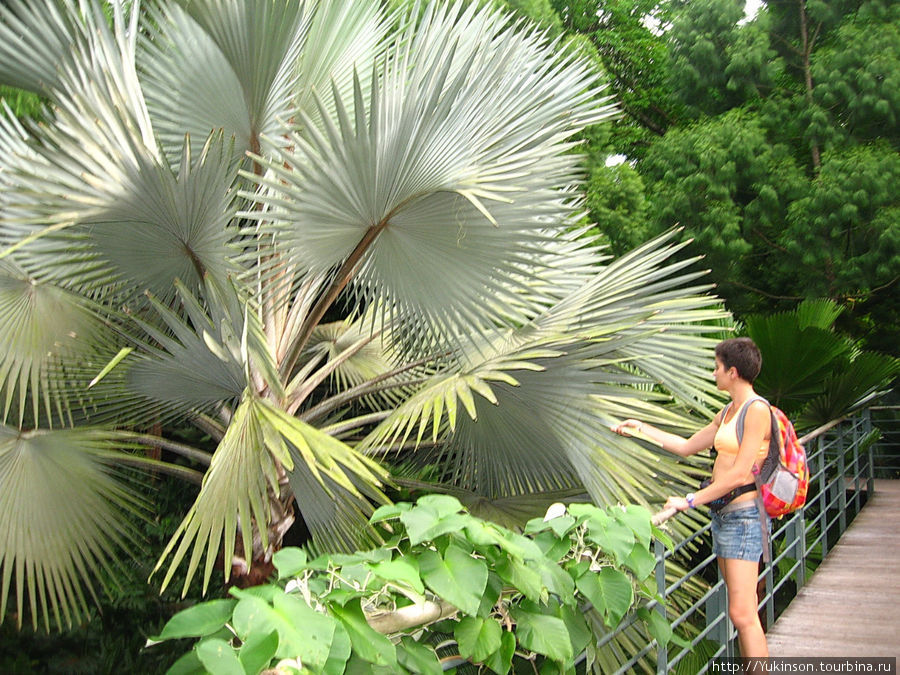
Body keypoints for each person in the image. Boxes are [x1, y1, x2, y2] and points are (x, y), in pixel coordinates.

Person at [611, 337, 771, 658]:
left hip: (744, 518)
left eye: (717, 368)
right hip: (723, 516)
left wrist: (690, 500)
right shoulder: (728, 411)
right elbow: (686, 446)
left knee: (743, 615)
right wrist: (641, 428)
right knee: (740, 609)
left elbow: (740, 474)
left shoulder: (756, 411)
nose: (714, 373)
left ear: (733, 372)